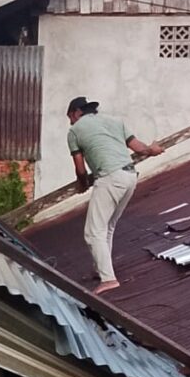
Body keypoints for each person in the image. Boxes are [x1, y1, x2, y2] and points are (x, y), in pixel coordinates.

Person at [67, 97, 164, 294]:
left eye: (70, 117)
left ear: (77, 112)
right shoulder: (115, 121)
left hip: (110, 178)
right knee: (107, 227)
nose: (70, 122)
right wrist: (153, 150)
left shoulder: (74, 131)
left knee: (93, 232)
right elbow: (140, 148)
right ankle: (100, 269)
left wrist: (82, 184)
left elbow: (80, 168)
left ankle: (108, 279)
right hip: (129, 176)